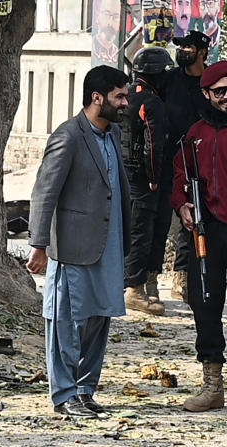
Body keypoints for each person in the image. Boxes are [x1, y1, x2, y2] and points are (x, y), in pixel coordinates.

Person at [27, 66, 131, 419]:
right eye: (119, 96)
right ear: (97, 98)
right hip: (71, 247)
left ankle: (85, 390)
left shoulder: (113, 134)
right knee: (65, 321)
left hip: (109, 245)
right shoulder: (68, 136)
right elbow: (44, 193)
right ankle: (64, 395)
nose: (125, 102)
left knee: (100, 317)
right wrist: (39, 244)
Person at [170, 61, 227, 412]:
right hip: (209, 232)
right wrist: (183, 207)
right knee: (205, 305)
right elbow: (180, 179)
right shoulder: (195, 135)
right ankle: (213, 384)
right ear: (206, 94)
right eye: (220, 92)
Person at [121, 48, 173, 316]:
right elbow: (154, 145)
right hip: (143, 179)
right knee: (142, 233)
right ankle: (135, 290)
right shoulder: (152, 102)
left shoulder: (123, 95)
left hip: (122, 173)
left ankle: (128, 283)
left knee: (125, 230)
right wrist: (154, 178)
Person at [165, 31, 211, 303]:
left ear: (203, 52)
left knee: (196, 220)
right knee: (166, 220)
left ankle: (189, 277)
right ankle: (162, 277)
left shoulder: (212, 83)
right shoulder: (169, 80)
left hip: (203, 160)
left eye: (188, 47)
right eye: (180, 46)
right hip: (169, 159)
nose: (182, 51)